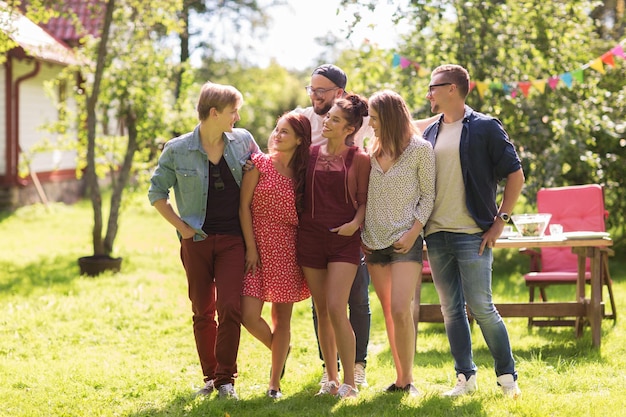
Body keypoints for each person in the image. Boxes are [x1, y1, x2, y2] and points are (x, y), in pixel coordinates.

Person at [148, 82, 260, 400]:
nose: (237, 117)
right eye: (232, 111)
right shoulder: (178, 149)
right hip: (196, 240)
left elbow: (265, 171)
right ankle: (210, 377)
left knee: (229, 306)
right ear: (214, 113)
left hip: (233, 240)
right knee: (202, 309)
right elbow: (156, 193)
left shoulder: (244, 142)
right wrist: (183, 228)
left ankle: (226, 380)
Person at [422, 64, 525, 398]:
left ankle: (508, 378)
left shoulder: (485, 127)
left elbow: (516, 175)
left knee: (481, 308)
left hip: (473, 235)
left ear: (452, 88)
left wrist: (500, 221)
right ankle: (465, 377)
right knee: (451, 311)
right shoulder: (430, 132)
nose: (429, 93)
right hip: (436, 235)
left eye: (433, 87)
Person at [296, 64, 373, 388]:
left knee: (336, 306)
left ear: (350, 128)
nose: (327, 121)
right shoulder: (308, 154)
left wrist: (353, 225)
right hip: (310, 239)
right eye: (328, 118)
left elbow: (364, 202)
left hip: (344, 240)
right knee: (321, 309)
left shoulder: (360, 159)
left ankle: (351, 381)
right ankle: (329, 378)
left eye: (335, 120)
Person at [361, 90, 435, 397]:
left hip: (406, 240)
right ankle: (400, 377)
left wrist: (414, 230)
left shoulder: (420, 149)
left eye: (375, 118)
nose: (371, 124)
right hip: (373, 241)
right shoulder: (370, 150)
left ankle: (408, 379)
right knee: (390, 311)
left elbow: (428, 195)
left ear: (389, 118)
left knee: (402, 308)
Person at [239, 112, 312, 400]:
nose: (277, 135)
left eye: (285, 132)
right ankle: (281, 350)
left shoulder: (303, 176)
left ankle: (274, 384)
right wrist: (251, 247)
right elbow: (244, 207)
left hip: (288, 252)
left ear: (299, 140)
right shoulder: (259, 165)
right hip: (255, 248)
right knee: (248, 315)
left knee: (282, 320)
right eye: (277, 129)